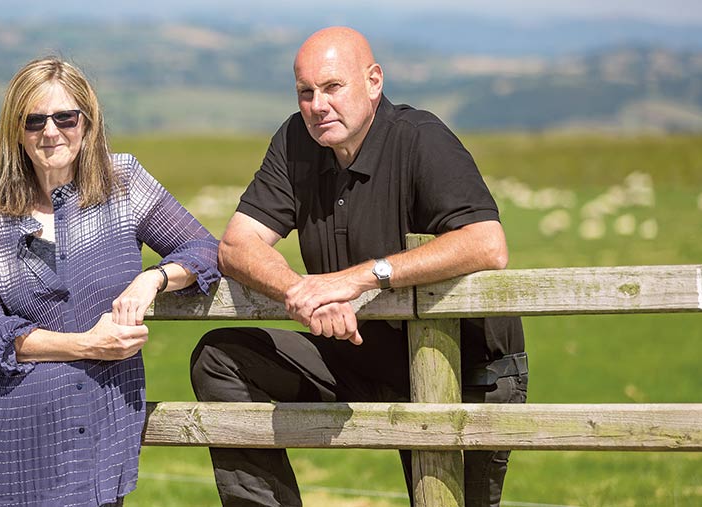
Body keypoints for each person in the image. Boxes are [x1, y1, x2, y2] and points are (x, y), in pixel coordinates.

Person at [190, 27, 527, 507]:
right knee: (222, 358)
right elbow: (237, 246)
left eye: (332, 87)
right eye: (306, 92)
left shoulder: (421, 140)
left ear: (373, 82)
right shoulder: (295, 142)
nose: (317, 105)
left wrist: (356, 280)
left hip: (465, 368)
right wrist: (301, 293)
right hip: (361, 355)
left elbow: (487, 244)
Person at [0, 57, 220, 507]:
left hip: (97, 420)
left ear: (87, 122)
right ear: (16, 131)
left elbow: (205, 249)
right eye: (34, 120)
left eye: (65, 117)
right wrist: (87, 345)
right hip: (9, 428)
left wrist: (151, 279)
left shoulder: (124, 182)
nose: (50, 132)